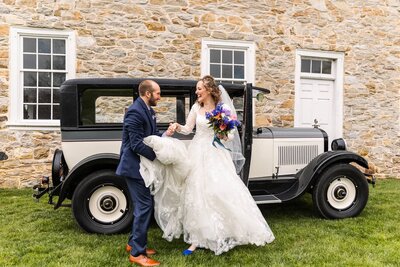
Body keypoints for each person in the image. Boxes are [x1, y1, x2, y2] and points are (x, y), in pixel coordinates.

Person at [167, 75, 275, 255]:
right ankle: (196, 239)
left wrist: (223, 133)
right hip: (197, 153)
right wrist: (177, 126)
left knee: (217, 192)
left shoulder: (222, 108)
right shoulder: (196, 107)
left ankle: (220, 232)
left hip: (215, 153)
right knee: (196, 193)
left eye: (199, 88)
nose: (196, 92)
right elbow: (188, 129)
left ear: (209, 90)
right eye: (196, 89)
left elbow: (230, 136)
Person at [116, 80, 173, 266]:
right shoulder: (134, 111)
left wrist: (166, 136)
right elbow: (136, 144)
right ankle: (137, 253)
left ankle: (134, 243)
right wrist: (158, 157)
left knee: (143, 205)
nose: (160, 97)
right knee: (144, 206)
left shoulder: (148, 110)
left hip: (142, 167)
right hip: (133, 167)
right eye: (157, 93)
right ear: (147, 94)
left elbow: (153, 134)